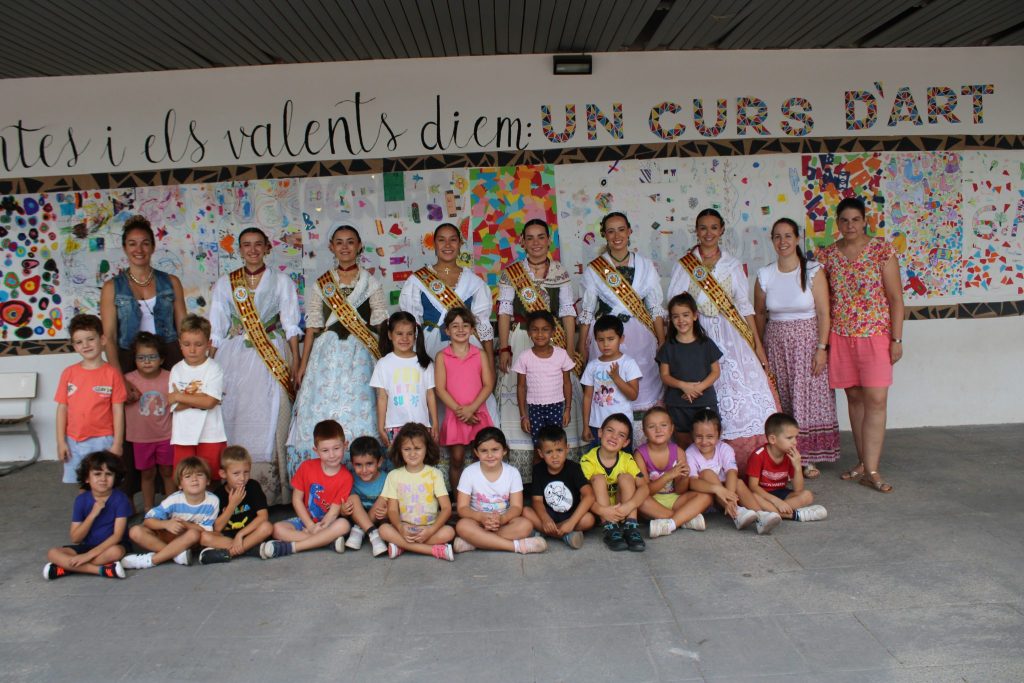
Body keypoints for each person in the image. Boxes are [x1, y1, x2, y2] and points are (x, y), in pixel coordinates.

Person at [666, 208, 778, 469]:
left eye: (714, 227)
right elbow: (675, 303)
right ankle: (699, 457)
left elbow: (744, 306)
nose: (708, 233)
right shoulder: (685, 264)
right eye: (703, 228)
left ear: (722, 230)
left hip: (731, 334)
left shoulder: (732, 264)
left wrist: (757, 345)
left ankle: (740, 458)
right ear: (696, 231)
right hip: (696, 334)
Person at [816, 197, 905, 493]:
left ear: (865, 221)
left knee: (876, 400)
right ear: (837, 223)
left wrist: (896, 339)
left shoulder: (882, 250)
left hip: (876, 335)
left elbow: (896, 299)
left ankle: (873, 470)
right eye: (844, 220)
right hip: (841, 336)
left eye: (855, 219)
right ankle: (864, 462)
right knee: (854, 399)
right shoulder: (828, 255)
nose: (850, 225)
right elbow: (823, 299)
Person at [209, 227, 302, 504]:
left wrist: (296, 361)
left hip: (273, 352)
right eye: (247, 245)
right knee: (235, 414)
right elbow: (217, 327)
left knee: (275, 413)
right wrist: (207, 366)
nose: (252, 250)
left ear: (267, 248)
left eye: (258, 244)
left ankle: (273, 493)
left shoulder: (282, 281)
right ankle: (235, 488)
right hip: (235, 357)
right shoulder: (225, 283)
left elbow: (291, 324)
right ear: (239, 250)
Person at [286, 225, 387, 477]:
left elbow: (380, 324)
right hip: (326, 357)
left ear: (359, 246)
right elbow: (312, 326)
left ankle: (364, 468)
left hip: (361, 356)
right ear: (331, 247)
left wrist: (386, 361)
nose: (345, 247)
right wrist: (303, 365)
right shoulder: (322, 283)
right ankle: (322, 471)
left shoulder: (370, 282)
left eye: (350, 242)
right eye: (339, 242)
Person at [496, 218, 584, 475]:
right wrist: (504, 348)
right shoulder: (511, 272)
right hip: (521, 339)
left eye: (541, 237)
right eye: (530, 237)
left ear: (549, 241)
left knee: (561, 392)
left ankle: (560, 466)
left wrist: (570, 349)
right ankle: (524, 472)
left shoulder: (560, 272)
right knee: (519, 393)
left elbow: (567, 312)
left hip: (554, 342)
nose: (536, 242)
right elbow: (504, 312)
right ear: (522, 242)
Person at [754, 218, 839, 478]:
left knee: (808, 399)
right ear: (772, 240)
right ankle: (784, 455)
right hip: (776, 344)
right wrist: (760, 350)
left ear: (797, 238)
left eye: (788, 236)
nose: (783, 242)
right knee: (783, 398)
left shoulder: (813, 270)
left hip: (807, 344)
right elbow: (759, 314)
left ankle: (808, 457)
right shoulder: (765, 274)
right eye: (777, 237)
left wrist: (822, 348)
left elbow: (824, 312)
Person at [577, 212, 666, 416]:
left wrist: (662, 341)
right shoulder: (595, 269)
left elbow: (655, 307)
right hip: (607, 336)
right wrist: (582, 344)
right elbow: (587, 311)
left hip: (641, 335)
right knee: (607, 387)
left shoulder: (645, 265)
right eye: (611, 231)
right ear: (604, 235)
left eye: (621, 230)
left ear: (629, 232)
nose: (617, 236)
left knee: (643, 382)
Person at [100, 215, 186, 377]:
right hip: (128, 360)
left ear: (153, 247)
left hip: (170, 357)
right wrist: (118, 378)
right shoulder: (111, 287)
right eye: (132, 244)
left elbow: (184, 330)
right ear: (125, 248)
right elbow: (109, 338)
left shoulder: (172, 282)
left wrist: (191, 368)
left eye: (145, 243)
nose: (139, 250)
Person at [260, 420, 354, 560]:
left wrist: (322, 527)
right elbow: (297, 500)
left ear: (345, 446)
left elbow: (334, 512)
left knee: (344, 525)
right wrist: (310, 526)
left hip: (328, 524)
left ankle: (292, 547)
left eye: (336, 448)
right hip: (306, 520)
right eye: (325, 450)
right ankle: (326, 542)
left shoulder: (346, 477)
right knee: (277, 529)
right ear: (316, 450)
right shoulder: (306, 467)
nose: (332, 455)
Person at [684, 409, 782, 535]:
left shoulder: (724, 448)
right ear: (692, 434)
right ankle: (737, 513)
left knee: (739, 482)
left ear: (719, 434)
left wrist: (729, 497)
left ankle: (760, 516)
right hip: (709, 496)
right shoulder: (690, 453)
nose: (704, 441)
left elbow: (731, 472)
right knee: (707, 473)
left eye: (710, 436)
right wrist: (718, 490)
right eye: (699, 436)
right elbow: (692, 483)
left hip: (729, 496)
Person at [54, 314, 126, 483]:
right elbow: (62, 408)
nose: (85, 345)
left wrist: (117, 443)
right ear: (74, 346)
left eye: (90, 339)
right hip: (73, 441)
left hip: (103, 440)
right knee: (82, 484)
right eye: (79, 342)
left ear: (102, 339)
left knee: (105, 483)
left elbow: (118, 410)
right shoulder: (68, 373)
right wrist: (61, 442)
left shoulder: (112, 373)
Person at [453, 427, 547, 555]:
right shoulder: (469, 472)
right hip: (477, 522)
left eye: (495, 450)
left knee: (525, 525)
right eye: (484, 451)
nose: (490, 455)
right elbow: (462, 508)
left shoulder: (512, 473)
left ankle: (475, 541)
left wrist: (502, 519)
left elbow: (516, 507)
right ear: (476, 452)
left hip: (504, 522)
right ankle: (516, 546)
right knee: (462, 526)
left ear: (504, 450)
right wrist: (481, 517)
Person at [434, 307, 495, 492]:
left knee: (483, 457)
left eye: (465, 325)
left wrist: (471, 409)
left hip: (478, 414)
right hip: (456, 415)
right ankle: (458, 499)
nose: (460, 329)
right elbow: (440, 389)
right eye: (455, 326)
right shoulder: (442, 356)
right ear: (447, 330)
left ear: (472, 329)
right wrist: (461, 412)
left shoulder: (480, 354)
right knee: (457, 458)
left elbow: (488, 385)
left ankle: (482, 496)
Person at [44, 451, 130, 580]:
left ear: (115, 478)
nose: (103, 479)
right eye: (97, 474)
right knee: (53, 553)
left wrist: (87, 556)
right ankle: (100, 570)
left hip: (111, 546)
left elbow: (117, 536)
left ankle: (67, 568)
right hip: (87, 546)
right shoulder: (81, 500)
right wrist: (92, 514)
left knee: (116, 552)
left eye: (109, 474)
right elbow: (75, 538)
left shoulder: (120, 499)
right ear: (87, 478)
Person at [122, 457, 220, 569]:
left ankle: (151, 560)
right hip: (169, 536)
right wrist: (166, 524)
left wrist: (185, 524)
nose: (194, 479)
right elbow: (148, 521)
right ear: (180, 485)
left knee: (194, 534)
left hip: (190, 541)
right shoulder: (174, 500)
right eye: (188, 476)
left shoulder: (212, 501)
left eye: (199, 475)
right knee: (135, 531)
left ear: (208, 481)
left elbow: (205, 531)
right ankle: (176, 555)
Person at [377, 422, 457, 561]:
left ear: (427, 448)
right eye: (407, 449)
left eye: (417, 448)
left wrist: (431, 530)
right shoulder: (394, 475)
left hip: (430, 528)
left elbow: (446, 508)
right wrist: (400, 528)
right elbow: (393, 510)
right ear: (400, 450)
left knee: (449, 532)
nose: (412, 453)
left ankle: (402, 546)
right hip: (405, 528)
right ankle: (433, 550)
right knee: (383, 530)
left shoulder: (435, 474)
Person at [633, 407, 713, 538]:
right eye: (652, 426)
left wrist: (684, 477)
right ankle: (683, 519)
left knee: (707, 496)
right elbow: (645, 491)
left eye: (663, 425)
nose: (658, 430)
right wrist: (668, 476)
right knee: (638, 499)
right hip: (652, 502)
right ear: (644, 432)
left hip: (674, 499)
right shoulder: (640, 454)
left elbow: (680, 491)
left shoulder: (678, 452)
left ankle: (670, 523)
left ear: (671, 429)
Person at [656, 293, 723, 448]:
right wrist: (684, 386)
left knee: (706, 442)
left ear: (694, 316)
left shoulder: (706, 343)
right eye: (676, 316)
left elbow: (715, 372)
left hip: (705, 401)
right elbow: (664, 375)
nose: (681, 320)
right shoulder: (668, 347)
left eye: (685, 315)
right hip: (678, 403)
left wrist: (698, 388)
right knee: (683, 443)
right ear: (671, 319)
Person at [168, 314, 226, 481]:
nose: (192, 350)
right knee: (185, 478)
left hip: (211, 434)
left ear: (209, 344)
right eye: (187, 344)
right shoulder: (176, 370)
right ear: (180, 344)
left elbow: (210, 402)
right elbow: (174, 404)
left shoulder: (214, 368)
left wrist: (180, 396)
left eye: (198, 344)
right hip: (183, 435)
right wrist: (200, 398)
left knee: (211, 478)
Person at [580, 413, 648, 552]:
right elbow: (583, 494)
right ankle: (610, 528)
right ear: (600, 432)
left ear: (626, 443)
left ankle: (631, 527)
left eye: (621, 435)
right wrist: (602, 511)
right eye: (610, 430)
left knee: (626, 477)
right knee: (598, 478)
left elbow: (644, 487)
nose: (614, 437)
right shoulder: (588, 460)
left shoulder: (627, 459)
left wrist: (629, 506)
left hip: (623, 510)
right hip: (600, 512)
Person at [195, 446, 274, 564]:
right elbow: (217, 528)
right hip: (227, 537)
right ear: (223, 473)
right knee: (203, 537)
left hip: (249, 533)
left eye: (246, 472)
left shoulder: (253, 487)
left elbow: (263, 517)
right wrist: (232, 505)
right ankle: (251, 549)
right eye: (236, 473)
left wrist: (240, 535)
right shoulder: (218, 495)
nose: (242, 478)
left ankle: (229, 553)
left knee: (267, 527)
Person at [371, 312, 439, 446]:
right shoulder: (383, 364)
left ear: (415, 336)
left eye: (409, 334)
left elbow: (430, 395)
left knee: (420, 457)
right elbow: (382, 398)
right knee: (399, 459)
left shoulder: (425, 363)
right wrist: (381, 426)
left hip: (421, 425)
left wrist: (435, 423)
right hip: (394, 425)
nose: (405, 338)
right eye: (399, 333)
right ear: (390, 335)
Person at [523, 425, 596, 549]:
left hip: (570, 516)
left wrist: (571, 523)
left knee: (589, 519)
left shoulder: (574, 468)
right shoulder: (538, 469)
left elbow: (589, 496)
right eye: (549, 452)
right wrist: (545, 519)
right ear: (541, 453)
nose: (555, 456)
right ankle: (564, 535)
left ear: (567, 449)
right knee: (525, 511)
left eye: (559, 450)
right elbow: (537, 500)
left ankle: (545, 532)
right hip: (548, 515)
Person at [123, 332, 173, 512]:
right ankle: (148, 509)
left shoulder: (170, 377)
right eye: (141, 357)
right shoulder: (128, 380)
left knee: (168, 472)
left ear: (161, 359)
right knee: (147, 474)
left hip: (166, 436)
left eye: (152, 357)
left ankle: (172, 508)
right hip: (141, 439)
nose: (147, 361)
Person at [746, 413, 829, 522]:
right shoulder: (758, 455)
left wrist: (797, 466)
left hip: (781, 492)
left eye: (796, 437)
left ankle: (770, 512)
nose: (795, 442)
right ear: (772, 439)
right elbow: (753, 486)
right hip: (762, 494)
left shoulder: (790, 455)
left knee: (807, 495)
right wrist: (776, 501)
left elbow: (798, 489)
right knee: (752, 496)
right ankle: (793, 515)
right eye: (789, 438)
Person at [511, 310, 575, 450]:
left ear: (553, 332)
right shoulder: (524, 357)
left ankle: (556, 465)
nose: (540, 334)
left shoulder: (561, 355)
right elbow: (521, 387)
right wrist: (523, 416)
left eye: (545, 329)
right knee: (538, 445)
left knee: (556, 444)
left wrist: (567, 409)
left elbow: (567, 383)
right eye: (535, 330)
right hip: (535, 408)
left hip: (556, 406)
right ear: (528, 332)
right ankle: (538, 465)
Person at [579, 315, 642, 445]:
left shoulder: (628, 363)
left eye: (611, 339)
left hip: (621, 427)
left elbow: (633, 395)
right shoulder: (592, 366)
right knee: (597, 456)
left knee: (622, 457)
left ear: (621, 339)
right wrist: (585, 426)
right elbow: (587, 397)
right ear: (595, 340)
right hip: (597, 426)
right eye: (601, 340)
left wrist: (616, 378)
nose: (606, 344)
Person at [343, 436, 389, 556]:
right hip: (357, 517)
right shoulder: (350, 478)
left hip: (378, 517)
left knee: (384, 498)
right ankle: (373, 535)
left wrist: (387, 512)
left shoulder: (387, 479)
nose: (364, 470)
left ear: (379, 462)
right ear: (352, 464)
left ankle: (360, 530)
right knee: (352, 498)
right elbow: (344, 503)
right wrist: (343, 510)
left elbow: (393, 504)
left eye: (369, 464)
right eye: (358, 465)